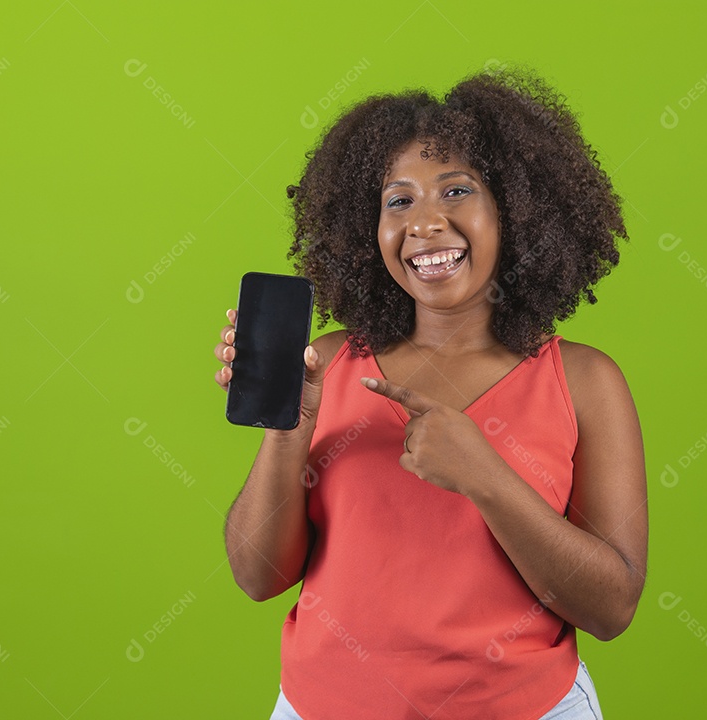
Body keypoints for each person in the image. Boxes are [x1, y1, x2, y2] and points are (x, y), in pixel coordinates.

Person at [213, 63, 647, 720]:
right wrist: (288, 430)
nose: (424, 222)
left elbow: (612, 608)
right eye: (398, 201)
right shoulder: (326, 364)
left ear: (515, 209)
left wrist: (484, 477)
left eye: (456, 191)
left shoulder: (584, 381)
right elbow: (257, 577)